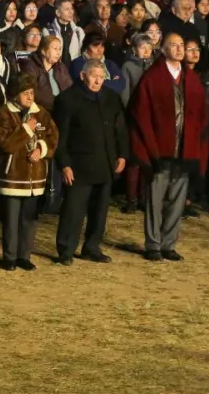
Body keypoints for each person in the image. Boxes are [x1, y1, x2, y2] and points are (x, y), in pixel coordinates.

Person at [128, 33, 209, 261]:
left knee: (177, 199)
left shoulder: (191, 79)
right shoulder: (152, 78)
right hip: (160, 150)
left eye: (182, 45)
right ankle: (153, 244)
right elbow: (140, 113)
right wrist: (149, 146)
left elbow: (202, 115)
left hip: (184, 150)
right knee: (155, 198)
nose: (179, 49)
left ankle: (168, 243)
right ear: (163, 49)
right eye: (174, 45)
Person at [53, 59, 128, 265]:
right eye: (94, 76)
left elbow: (120, 129)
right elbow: (60, 137)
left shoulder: (111, 97)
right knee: (73, 211)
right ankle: (66, 250)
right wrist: (64, 164)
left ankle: (92, 247)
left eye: (101, 76)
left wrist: (122, 154)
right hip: (79, 165)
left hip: (105, 162)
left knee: (100, 210)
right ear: (83, 76)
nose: (98, 80)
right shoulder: (68, 99)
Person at [0, 73, 58, 271]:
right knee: (11, 220)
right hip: (13, 177)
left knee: (29, 220)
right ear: (15, 95)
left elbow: (53, 136)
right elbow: (4, 143)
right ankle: (9, 257)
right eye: (26, 93)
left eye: (32, 93)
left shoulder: (42, 113)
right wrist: (25, 130)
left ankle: (24, 256)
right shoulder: (4, 113)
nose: (30, 97)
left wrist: (41, 149)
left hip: (35, 178)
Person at [17, 35, 72, 113]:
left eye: (60, 49)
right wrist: (57, 105)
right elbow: (32, 92)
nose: (58, 52)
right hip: (42, 110)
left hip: (62, 109)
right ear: (43, 51)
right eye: (55, 49)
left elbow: (70, 88)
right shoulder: (30, 66)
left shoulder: (61, 67)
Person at [46, 0, 85, 65]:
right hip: (56, 69)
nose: (71, 12)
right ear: (58, 13)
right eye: (67, 9)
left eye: (71, 8)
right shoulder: (48, 31)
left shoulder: (78, 31)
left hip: (74, 69)